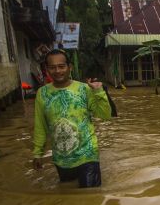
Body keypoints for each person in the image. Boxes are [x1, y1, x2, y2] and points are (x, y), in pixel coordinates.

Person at [32, 49, 111, 187]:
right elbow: (40, 125)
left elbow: (105, 115)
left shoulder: (84, 89)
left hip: (87, 153)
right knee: (68, 195)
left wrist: (99, 92)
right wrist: (37, 152)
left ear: (70, 67)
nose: (57, 71)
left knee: (90, 197)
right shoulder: (42, 94)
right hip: (61, 158)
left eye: (61, 66)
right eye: (52, 67)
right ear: (47, 70)